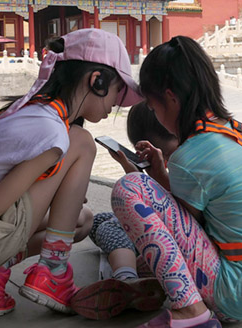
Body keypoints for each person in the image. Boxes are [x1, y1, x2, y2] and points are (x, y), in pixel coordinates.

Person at [83, 36, 242, 327]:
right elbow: (186, 220)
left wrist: (140, 178)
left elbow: (183, 227)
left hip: (235, 294)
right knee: (120, 226)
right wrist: (160, 176)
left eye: (154, 109)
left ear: (171, 98)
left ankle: (191, 311)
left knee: (129, 190)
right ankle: (142, 285)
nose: (157, 116)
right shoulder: (236, 131)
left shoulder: (191, 154)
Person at [0, 28, 141, 317]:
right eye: (118, 91)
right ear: (97, 81)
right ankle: (53, 273)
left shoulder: (33, 109)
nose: (116, 104)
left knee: (81, 220)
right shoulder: (53, 132)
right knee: (82, 142)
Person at [71, 102, 178, 320]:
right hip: (173, 227)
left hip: (178, 238)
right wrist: (132, 169)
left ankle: (126, 278)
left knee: (112, 225)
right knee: (99, 220)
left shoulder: (181, 161)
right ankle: (134, 269)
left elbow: (164, 204)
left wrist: (134, 175)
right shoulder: (188, 150)